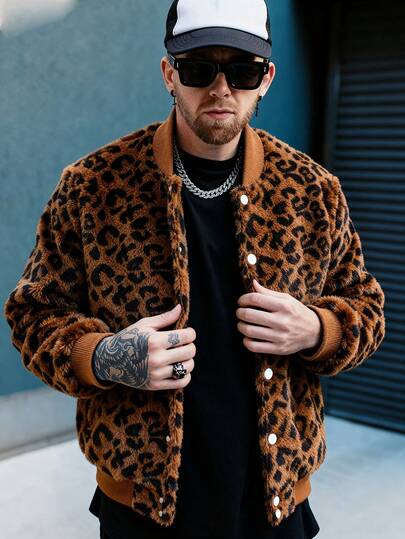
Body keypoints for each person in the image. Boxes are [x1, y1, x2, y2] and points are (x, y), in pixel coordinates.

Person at [3, 0, 385, 538]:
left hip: (274, 503)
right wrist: (108, 357)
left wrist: (318, 329)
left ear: (267, 79)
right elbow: (33, 314)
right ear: (169, 74)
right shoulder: (94, 186)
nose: (221, 88)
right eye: (199, 68)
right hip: (142, 507)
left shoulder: (312, 192)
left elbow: (368, 308)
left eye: (243, 70)